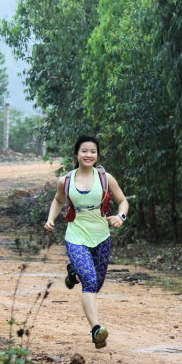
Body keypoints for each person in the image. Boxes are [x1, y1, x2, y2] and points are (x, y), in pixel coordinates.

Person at [44, 135, 129, 349]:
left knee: (96, 284)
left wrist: (121, 217)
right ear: (77, 154)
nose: (88, 154)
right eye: (84, 151)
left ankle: (73, 271)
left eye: (92, 151)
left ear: (97, 154)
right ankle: (96, 330)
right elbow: (58, 199)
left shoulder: (105, 178)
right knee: (90, 281)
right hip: (76, 236)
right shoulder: (66, 180)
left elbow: (123, 201)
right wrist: (50, 218)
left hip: (101, 236)